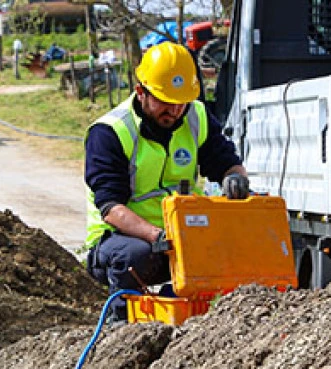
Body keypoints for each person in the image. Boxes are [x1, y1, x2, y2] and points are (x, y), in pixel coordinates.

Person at [85, 42, 250, 320]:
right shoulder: (109, 133)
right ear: (141, 92)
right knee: (135, 256)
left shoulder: (196, 116)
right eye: (165, 102)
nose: (174, 112)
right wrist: (159, 237)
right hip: (121, 240)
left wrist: (236, 179)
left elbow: (227, 163)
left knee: (229, 250)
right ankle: (122, 323)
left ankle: (182, 311)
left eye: (180, 103)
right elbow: (111, 208)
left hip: (182, 234)